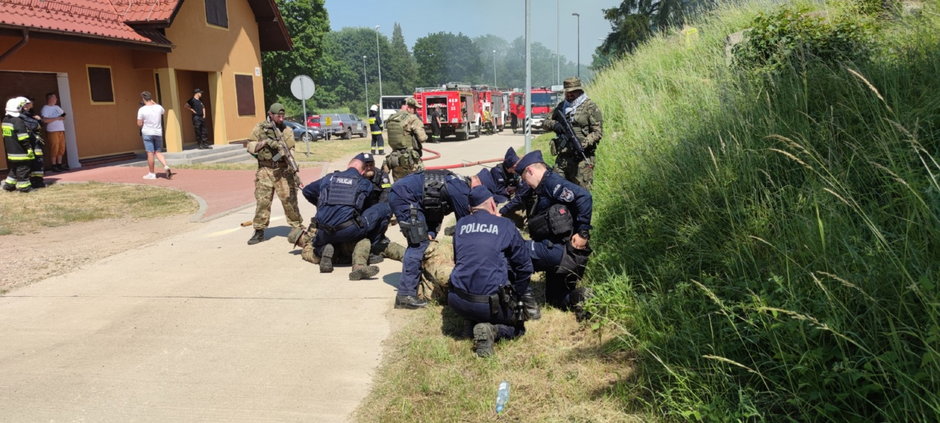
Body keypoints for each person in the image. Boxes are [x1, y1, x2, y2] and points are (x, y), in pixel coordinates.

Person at [448, 185, 539, 357]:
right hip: (489, 304)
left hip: (457, 300)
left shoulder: (460, 225)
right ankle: (492, 330)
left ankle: (471, 321)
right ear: (491, 205)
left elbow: (459, 260)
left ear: (470, 209)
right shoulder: (505, 225)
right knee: (518, 327)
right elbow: (524, 266)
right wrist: (518, 295)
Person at [514, 150, 594, 319]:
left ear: (530, 171)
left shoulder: (552, 183)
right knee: (555, 300)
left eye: (524, 178)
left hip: (563, 251)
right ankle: (579, 297)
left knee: (514, 250)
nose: (525, 183)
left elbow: (584, 197)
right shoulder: (544, 185)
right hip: (563, 254)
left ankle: (518, 302)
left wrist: (583, 233)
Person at [388, 169, 471, 309]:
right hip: (404, 196)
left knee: (425, 240)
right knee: (418, 243)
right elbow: (466, 228)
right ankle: (405, 295)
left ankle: (415, 284)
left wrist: (432, 231)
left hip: (414, 198)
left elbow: (435, 205)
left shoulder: (457, 184)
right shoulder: (460, 190)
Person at [301, 153, 390, 280]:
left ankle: (324, 250)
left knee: (321, 242)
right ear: (363, 169)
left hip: (323, 231)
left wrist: (321, 206)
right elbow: (368, 207)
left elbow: (307, 191)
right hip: (348, 230)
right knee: (382, 208)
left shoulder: (329, 178)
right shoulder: (364, 183)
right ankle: (372, 248)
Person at [245, 102, 304, 245]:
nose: (281, 118)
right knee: (262, 202)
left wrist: (280, 154)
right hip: (265, 170)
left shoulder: (287, 130)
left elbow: (291, 152)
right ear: (270, 114)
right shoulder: (260, 128)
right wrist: (265, 142)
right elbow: (250, 146)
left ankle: (298, 228)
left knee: (290, 201)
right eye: (278, 115)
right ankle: (259, 231)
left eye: (283, 115)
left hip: (282, 171)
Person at [540, 77, 604, 191]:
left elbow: (597, 132)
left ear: (579, 91)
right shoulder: (561, 107)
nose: (570, 95)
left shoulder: (590, 107)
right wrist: (555, 125)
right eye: (568, 92)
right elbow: (545, 123)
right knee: (556, 188)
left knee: (581, 194)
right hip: (563, 158)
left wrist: (584, 143)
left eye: (573, 92)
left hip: (582, 159)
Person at [382, 97, 427, 181]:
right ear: (409, 107)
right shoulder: (413, 118)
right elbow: (422, 138)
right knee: (416, 183)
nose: (415, 111)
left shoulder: (392, 117)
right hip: (410, 160)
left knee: (398, 185)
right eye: (415, 108)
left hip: (394, 158)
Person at [136, 91, 173, 180]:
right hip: (158, 133)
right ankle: (166, 166)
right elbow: (163, 111)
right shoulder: (158, 107)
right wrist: (154, 102)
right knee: (158, 152)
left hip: (147, 133)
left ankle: (152, 173)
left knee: (150, 153)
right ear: (151, 98)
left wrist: (144, 122)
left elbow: (139, 123)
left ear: (143, 99)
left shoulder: (142, 109)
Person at [3, 97, 36, 193]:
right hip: (20, 152)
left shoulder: (5, 120)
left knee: (14, 169)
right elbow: (23, 137)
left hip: (11, 152)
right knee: (23, 169)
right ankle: (24, 187)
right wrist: (29, 148)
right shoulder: (18, 121)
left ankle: (9, 185)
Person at [20, 99, 46, 188]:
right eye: (28, 103)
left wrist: (39, 120)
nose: (30, 105)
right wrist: (37, 121)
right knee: (34, 162)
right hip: (30, 142)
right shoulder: (22, 115)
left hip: (35, 141)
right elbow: (34, 125)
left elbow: (40, 125)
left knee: (38, 161)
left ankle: (38, 180)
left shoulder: (30, 114)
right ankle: (35, 181)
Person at [40, 93, 67, 172]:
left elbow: (64, 115)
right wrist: (57, 118)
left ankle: (59, 164)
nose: (56, 99)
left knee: (61, 147)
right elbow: (45, 120)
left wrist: (60, 117)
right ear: (50, 99)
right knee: (54, 147)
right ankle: (53, 165)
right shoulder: (45, 108)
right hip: (52, 130)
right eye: (54, 98)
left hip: (60, 129)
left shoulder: (57, 107)